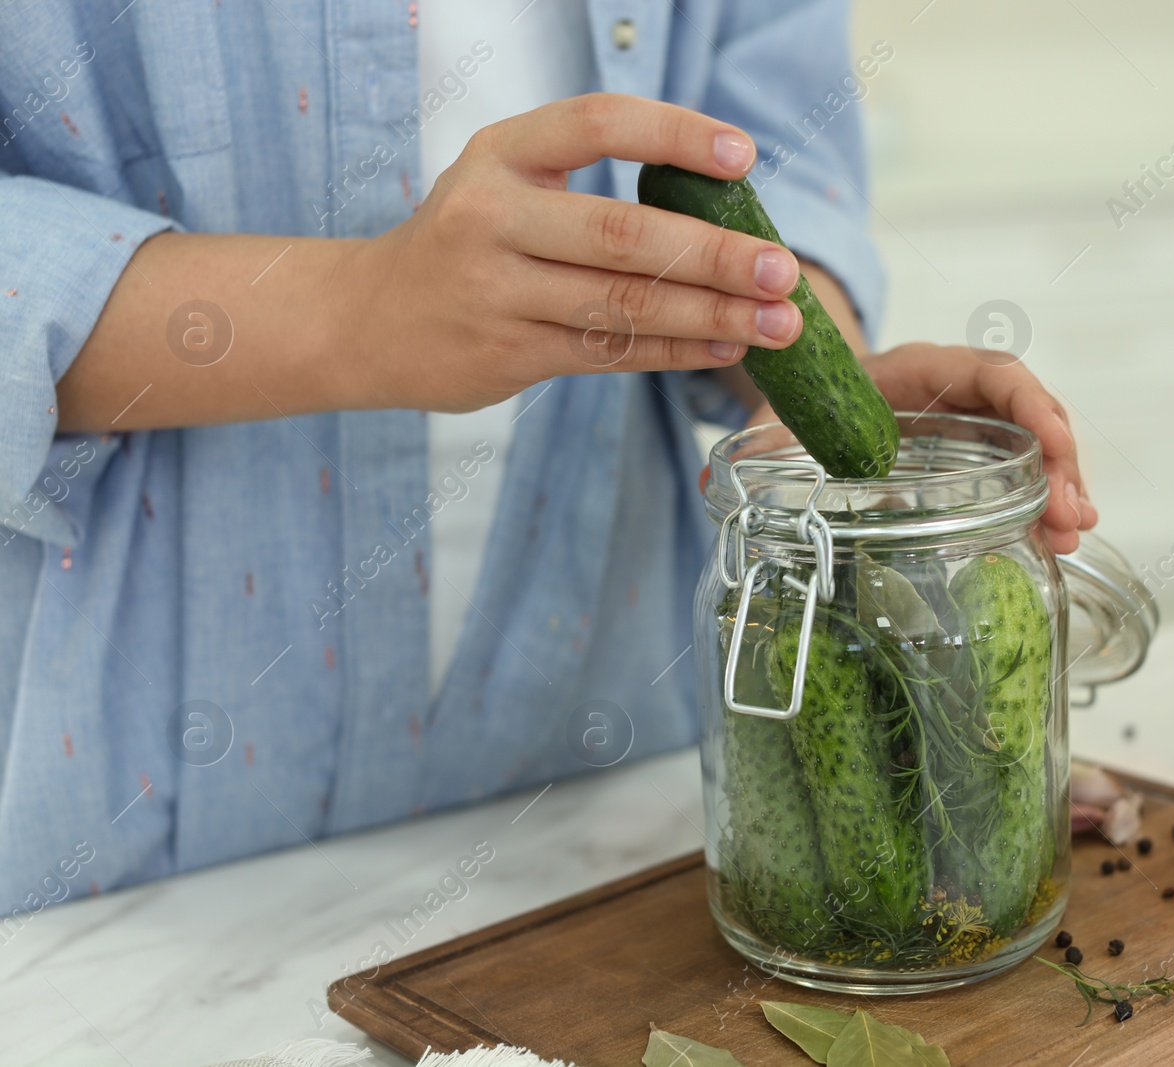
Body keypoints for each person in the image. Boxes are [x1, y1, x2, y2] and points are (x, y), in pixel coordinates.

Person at [0, 1, 1093, 914]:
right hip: (120, 829)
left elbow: (771, 139)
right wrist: (357, 309)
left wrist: (815, 383)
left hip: (606, 782)